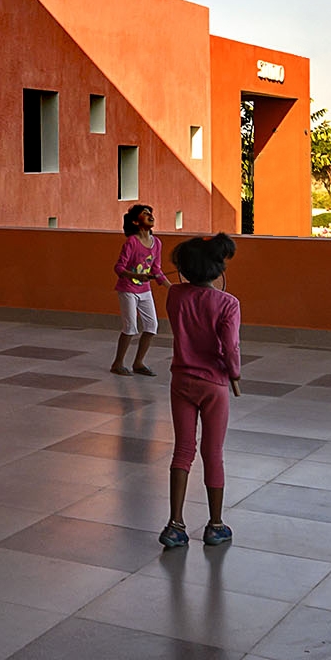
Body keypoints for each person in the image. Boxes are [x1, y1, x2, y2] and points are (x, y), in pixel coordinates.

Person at [159, 232, 242, 549]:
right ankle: (215, 524)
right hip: (214, 384)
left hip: (181, 380)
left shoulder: (175, 295)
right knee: (213, 452)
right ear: (218, 269)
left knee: (183, 450)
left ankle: (175, 524)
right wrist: (234, 373)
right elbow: (230, 347)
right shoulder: (228, 303)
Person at [108, 204, 166, 375]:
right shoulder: (131, 242)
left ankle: (138, 363)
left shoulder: (157, 243)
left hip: (145, 291)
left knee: (152, 326)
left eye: (150, 213)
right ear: (135, 221)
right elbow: (119, 268)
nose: (150, 215)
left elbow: (156, 269)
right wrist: (135, 276)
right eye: (145, 213)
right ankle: (117, 364)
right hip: (128, 289)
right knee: (130, 327)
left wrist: (169, 286)